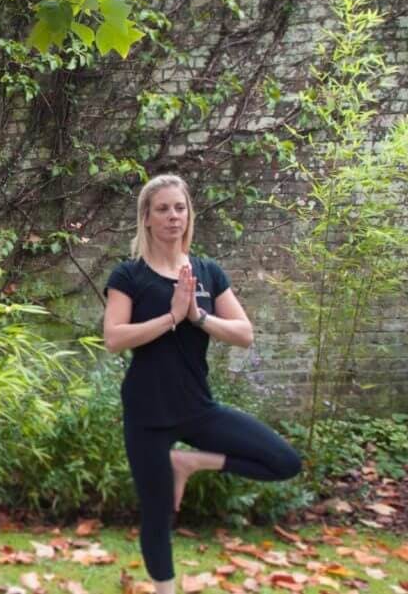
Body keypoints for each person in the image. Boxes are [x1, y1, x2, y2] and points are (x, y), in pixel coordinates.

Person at [103, 174, 301, 594]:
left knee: (284, 461)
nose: (173, 216)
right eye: (162, 209)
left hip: (197, 407)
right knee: (157, 516)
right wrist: (171, 317)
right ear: (147, 217)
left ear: (189, 214)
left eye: (180, 208)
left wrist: (197, 316)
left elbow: (244, 333)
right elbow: (114, 338)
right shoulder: (129, 275)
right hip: (147, 412)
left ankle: (189, 462)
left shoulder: (208, 272)